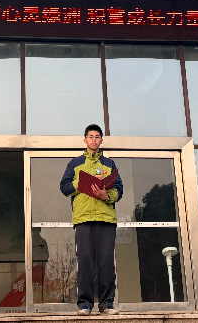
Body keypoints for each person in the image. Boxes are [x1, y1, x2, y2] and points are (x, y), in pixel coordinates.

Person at [60, 124, 123, 316]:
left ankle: (107, 304)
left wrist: (106, 196)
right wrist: (82, 182)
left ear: (101, 140)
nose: (94, 140)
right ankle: (85, 304)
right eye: (90, 136)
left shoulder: (109, 164)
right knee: (85, 260)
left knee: (106, 261)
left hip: (106, 218)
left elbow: (119, 190)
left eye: (97, 137)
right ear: (84, 140)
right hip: (83, 218)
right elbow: (64, 187)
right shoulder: (75, 163)